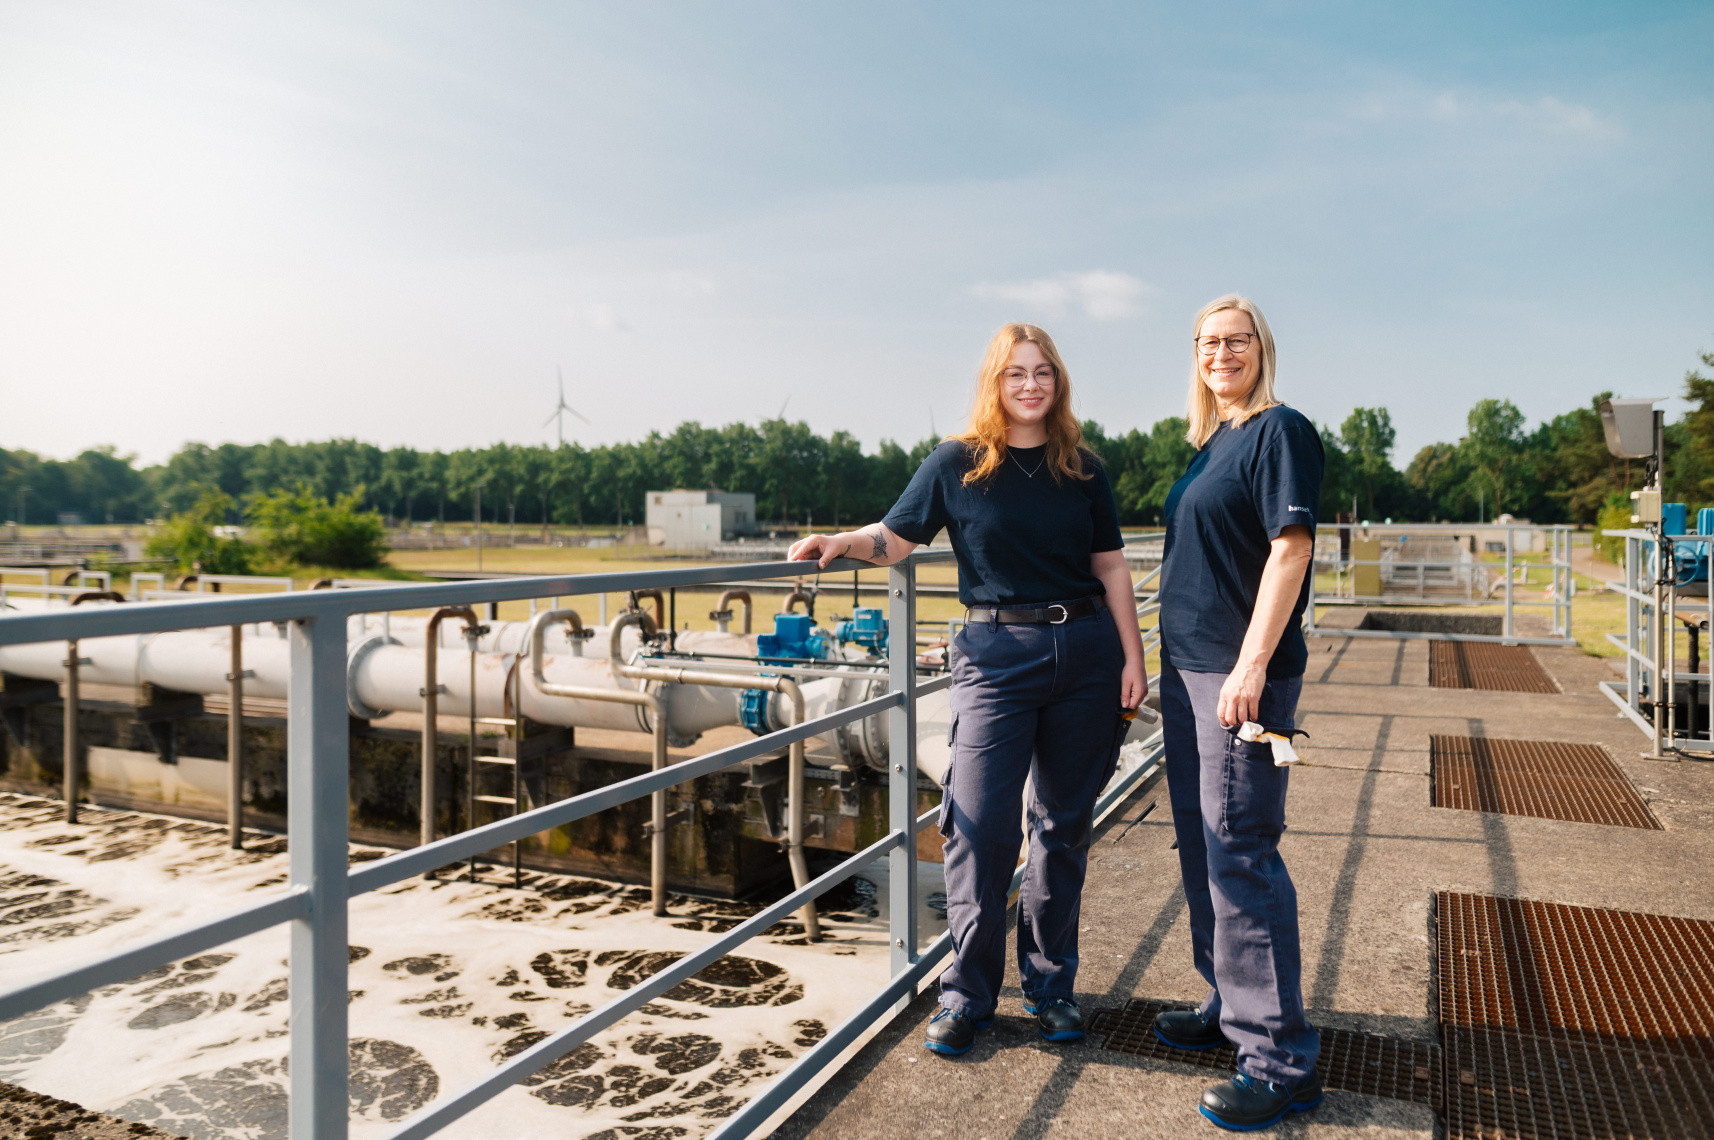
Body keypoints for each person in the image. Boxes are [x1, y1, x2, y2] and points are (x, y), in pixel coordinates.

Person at [789, 323, 1146, 1056]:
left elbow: (1110, 566)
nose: (1030, 385)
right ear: (994, 381)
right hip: (993, 654)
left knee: (1063, 828)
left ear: (1059, 382)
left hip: (1084, 652)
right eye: (1016, 373)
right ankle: (969, 994)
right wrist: (841, 543)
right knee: (980, 828)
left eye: (1043, 372)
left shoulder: (1082, 467)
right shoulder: (957, 463)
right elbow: (894, 537)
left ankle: (1051, 990)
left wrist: (1132, 660)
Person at [1151, 295, 1325, 1130]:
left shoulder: (1278, 431)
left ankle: (1280, 1060)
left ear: (1263, 349)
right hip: (1186, 673)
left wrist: (1251, 664)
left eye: (1237, 340)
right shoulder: (1210, 441)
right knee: (1201, 847)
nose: (1222, 353)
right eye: (1209, 343)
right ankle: (1229, 1005)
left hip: (1235, 677)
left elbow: (1290, 549)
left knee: (1241, 855)